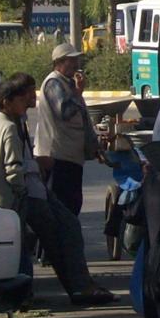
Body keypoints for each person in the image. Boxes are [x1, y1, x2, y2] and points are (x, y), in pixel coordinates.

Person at [0, 73, 115, 305]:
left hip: (31, 191)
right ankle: (78, 289)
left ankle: (77, 287)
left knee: (62, 232)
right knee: (61, 236)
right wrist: (20, 197)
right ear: (7, 101)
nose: (29, 99)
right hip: (26, 195)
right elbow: (12, 170)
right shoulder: (7, 127)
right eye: (23, 96)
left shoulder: (3, 124)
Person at [34, 43, 100, 216]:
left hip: (72, 156)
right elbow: (65, 112)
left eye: (76, 60)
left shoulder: (67, 83)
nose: (76, 65)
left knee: (73, 203)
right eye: (71, 61)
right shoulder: (53, 83)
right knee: (64, 206)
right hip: (58, 156)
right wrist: (78, 92)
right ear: (60, 62)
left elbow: (83, 119)